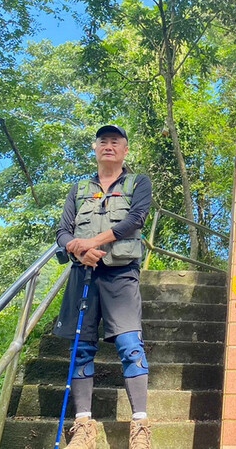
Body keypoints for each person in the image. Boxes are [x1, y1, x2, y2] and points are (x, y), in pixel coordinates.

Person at [54, 124, 153, 449]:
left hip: (121, 275)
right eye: (103, 141)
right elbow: (63, 232)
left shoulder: (138, 183)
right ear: (95, 149)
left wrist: (93, 242)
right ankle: (83, 427)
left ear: (125, 150)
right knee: (81, 347)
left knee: (130, 345)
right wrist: (78, 250)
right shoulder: (79, 189)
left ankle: (140, 427)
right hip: (83, 275)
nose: (108, 146)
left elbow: (136, 219)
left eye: (115, 141)